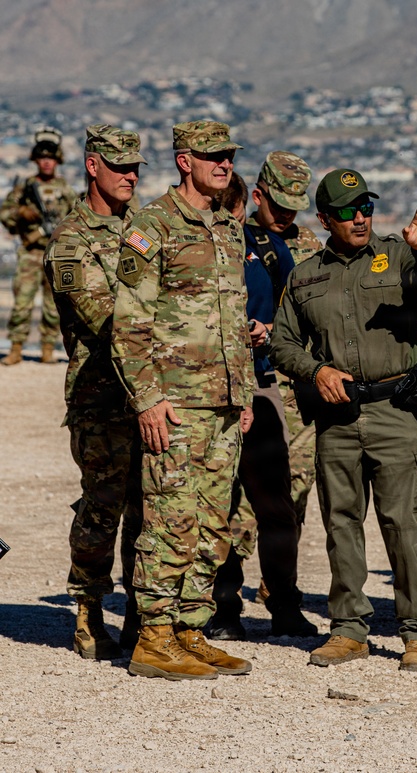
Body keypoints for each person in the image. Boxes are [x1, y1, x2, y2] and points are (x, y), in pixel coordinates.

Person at [270, 168, 417, 673]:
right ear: (326, 218)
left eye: (366, 207)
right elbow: (284, 343)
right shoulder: (304, 274)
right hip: (339, 416)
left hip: (396, 412)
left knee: (404, 522)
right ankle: (349, 629)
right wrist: (316, 369)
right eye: (349, 211)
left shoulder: (396, 254)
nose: (361, 218)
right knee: (341, 523)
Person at [112, 120, 255, 681]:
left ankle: (191, 628)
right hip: (174, 404)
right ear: (183, 160)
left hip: (222, 403)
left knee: (213, 521)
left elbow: (233, 320)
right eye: (213, 156)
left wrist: (241, 392)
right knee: (170, 518)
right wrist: (146, 399)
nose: (224, 164)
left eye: (229, 156)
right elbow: (129, 323)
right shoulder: (153, 226)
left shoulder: (226, 227)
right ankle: (152, 635)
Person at [42, 124, 147, 659]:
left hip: (148, 394)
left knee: (146, 507)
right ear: (92, 166)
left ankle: (137, 613)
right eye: (120, 166)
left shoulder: (145, 228)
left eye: (135, 168)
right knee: (103, 507)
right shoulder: (71, 241)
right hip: (100, 397)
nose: (130, 176)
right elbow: (106, 320)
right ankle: (86, 609)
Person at [206, 172, 318, 641]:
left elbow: (300, 310)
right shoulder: (207, 250)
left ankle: (284, 603)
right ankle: (223, 604)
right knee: (225, 502)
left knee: (276, 503)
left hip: (265, 383)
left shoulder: (270, 251)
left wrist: (266, 332)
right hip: (217, 389)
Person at [247, 152, 323, 564]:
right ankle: (228, 590)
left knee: (296, 485)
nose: (285, 215)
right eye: (278, 206)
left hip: (295, 386)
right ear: (258, 196)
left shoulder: (308, 245)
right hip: (250, 383)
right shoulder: (232, 239)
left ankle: (280, 585)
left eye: (294, 207)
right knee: (241, 496)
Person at [1, 127, 77, 365]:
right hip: (30, 252)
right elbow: (6, 214)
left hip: (55, 253)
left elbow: (76, 217)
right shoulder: (25, 188)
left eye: (51, 158)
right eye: (43, 158)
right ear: (36, 160)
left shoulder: (65, 190)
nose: (47, 163)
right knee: (22, 302)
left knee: (53, 305)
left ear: (58, 161)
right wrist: (21, 213)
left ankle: (47, 348)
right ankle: (15, 347)